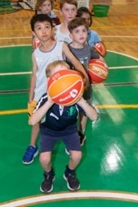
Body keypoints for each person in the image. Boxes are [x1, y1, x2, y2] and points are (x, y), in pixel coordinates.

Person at [22, 14, 90, 165]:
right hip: (41, 94)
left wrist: (85, 77)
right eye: (39, 28)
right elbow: (34, 75)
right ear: (34, 33)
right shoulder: (35, 54)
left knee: (66, 119)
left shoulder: (61, 46)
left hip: (60, 93)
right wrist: (31, 97)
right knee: (37, 123)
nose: (44, 31)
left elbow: (75, 62)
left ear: (53, 29)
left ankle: (71, 142)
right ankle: (32, 146)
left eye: (47, 27)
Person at [29, 60, 98, 193]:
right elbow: (32, 121)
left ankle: (70, 172)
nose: (62, 79)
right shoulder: (45, 99)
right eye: (58, 76)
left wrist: (81, 101)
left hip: (69, 130)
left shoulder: (74, 97)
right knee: (44, 159)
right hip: (49, 131)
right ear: (50, 81)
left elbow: (94, 117)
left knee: (77, 156)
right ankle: (49, 174)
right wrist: (49, 102)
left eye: (65, 74)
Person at [66, 18, 102, 146]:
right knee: (71, 113)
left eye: (84, 31)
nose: (81, 34)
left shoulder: (89, 49)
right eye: (77, 31)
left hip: (86, 88)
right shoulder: (67, 50)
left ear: (88, 33)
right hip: (71, 89)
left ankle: (80, 133)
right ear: (71, 35)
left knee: (84, 111)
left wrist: (101, 71)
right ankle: (70, 132)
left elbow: (99, 60)